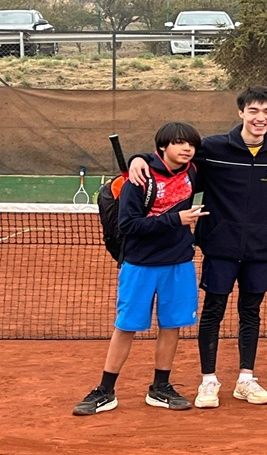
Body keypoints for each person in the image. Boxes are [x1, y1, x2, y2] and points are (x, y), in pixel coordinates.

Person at [129, 86, 267, 408]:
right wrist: (141, 158)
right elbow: (176, 162)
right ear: (241, 113)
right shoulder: (214, 148)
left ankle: (246, 380)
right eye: (254, 111)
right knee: (213, 311)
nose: (260, 118)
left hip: (260, 249)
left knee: (251, 311)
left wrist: (263, 216)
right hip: (220, 246)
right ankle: (208, 381)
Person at [73, 122, 207, 415]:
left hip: (180, 263)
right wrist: (176, 219)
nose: (187, 149)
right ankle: (105, 390)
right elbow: (128, 225)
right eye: (179, 143)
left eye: (191, 145)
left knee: (172, 325)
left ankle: (160, 387)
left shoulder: (193, 172)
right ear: (162, 147)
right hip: (140, 265)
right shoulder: (140, 179)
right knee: (126, 326)